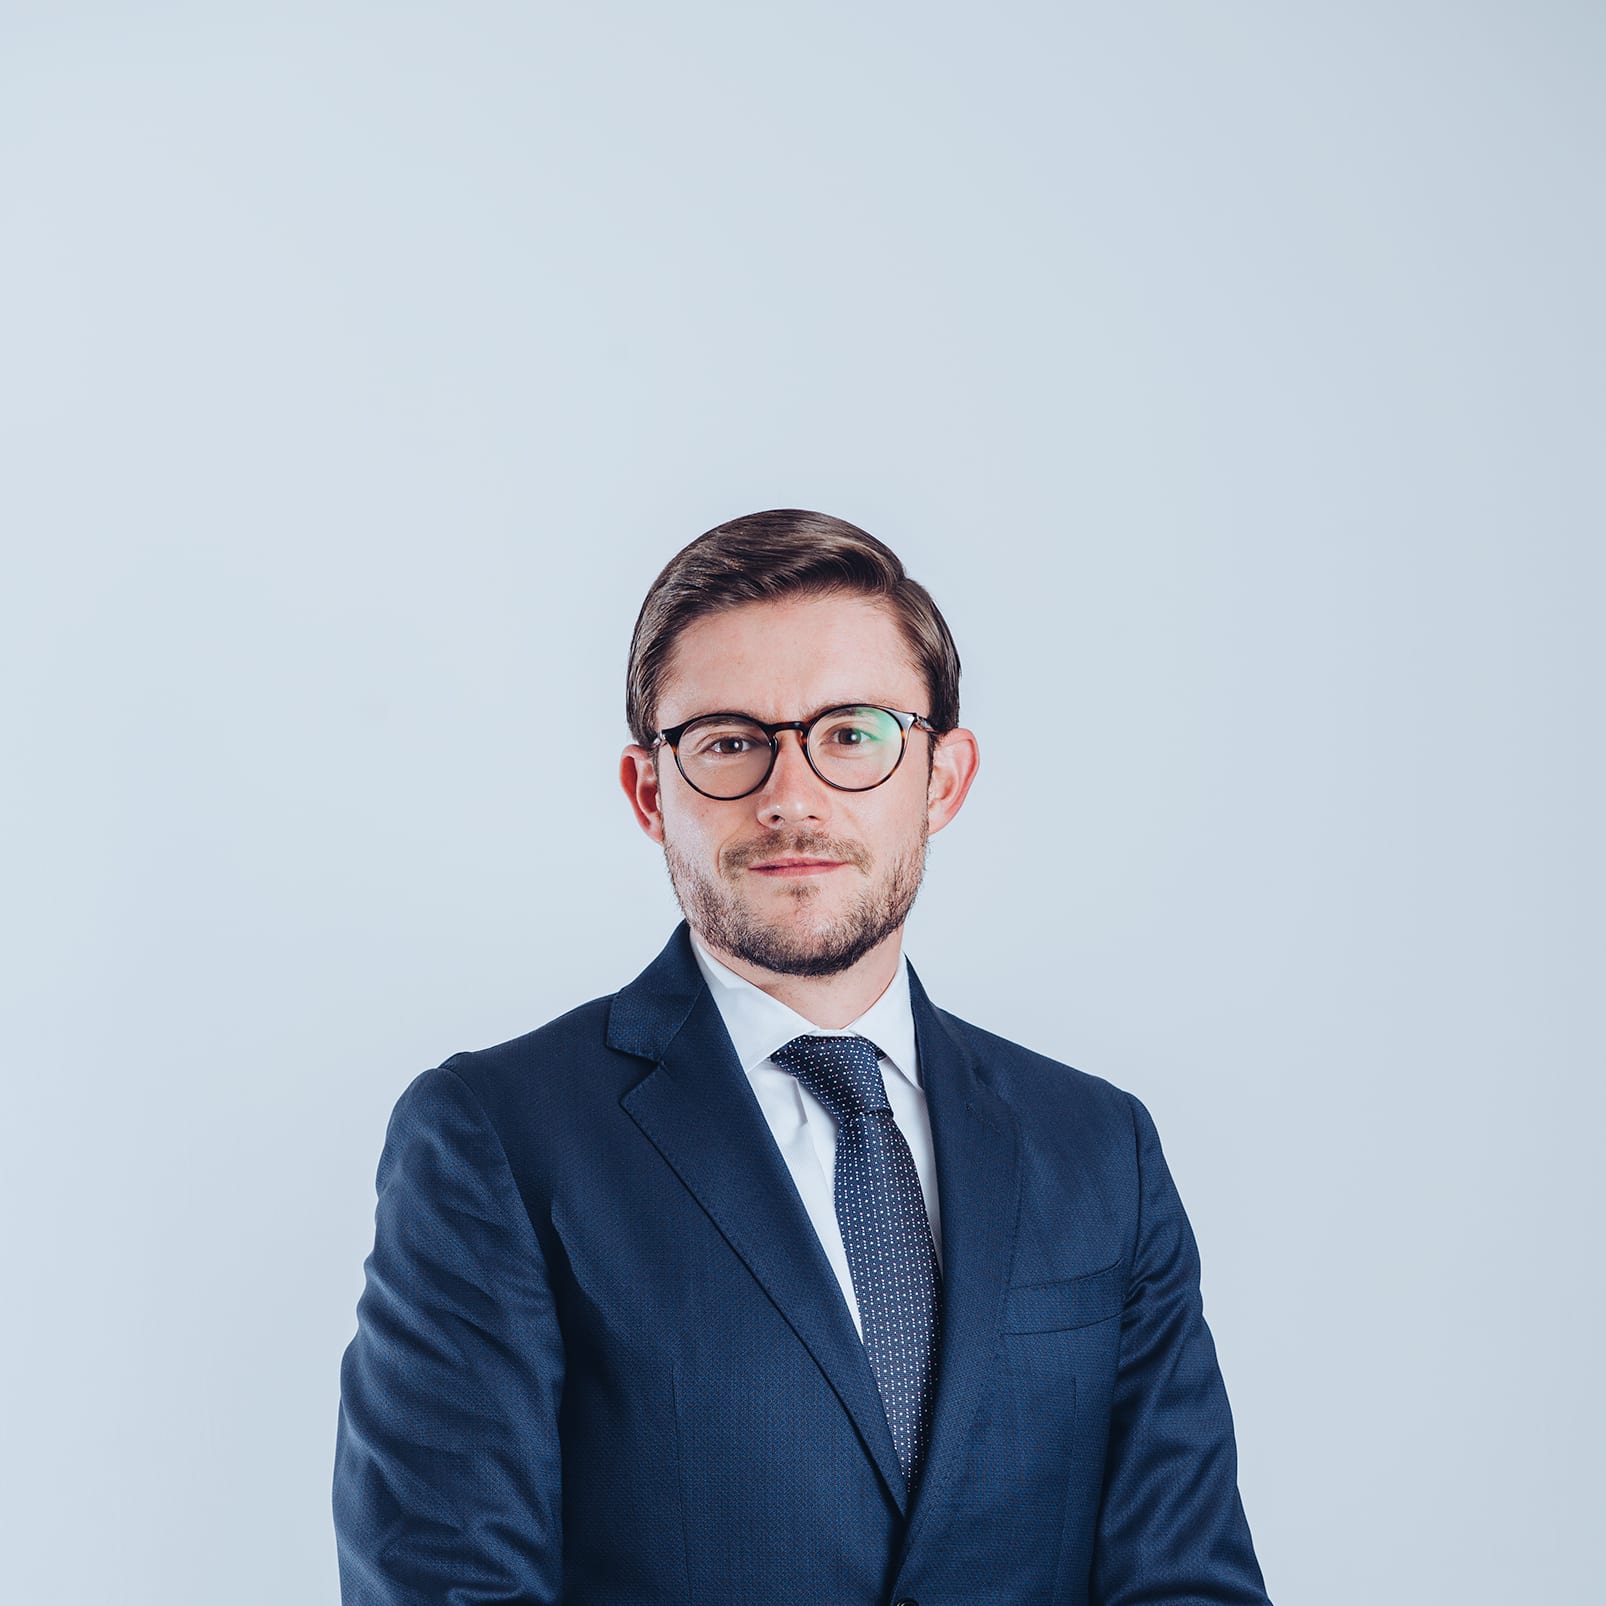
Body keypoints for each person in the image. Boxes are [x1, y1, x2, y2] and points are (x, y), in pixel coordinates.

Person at [333, 508, 1272, 1604]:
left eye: (852, 734)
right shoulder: (495, 1136)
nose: (791, 796)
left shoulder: (1100, 1148)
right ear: (650, 792)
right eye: (729, 741)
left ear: (943, 777)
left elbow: (1188, 1582)